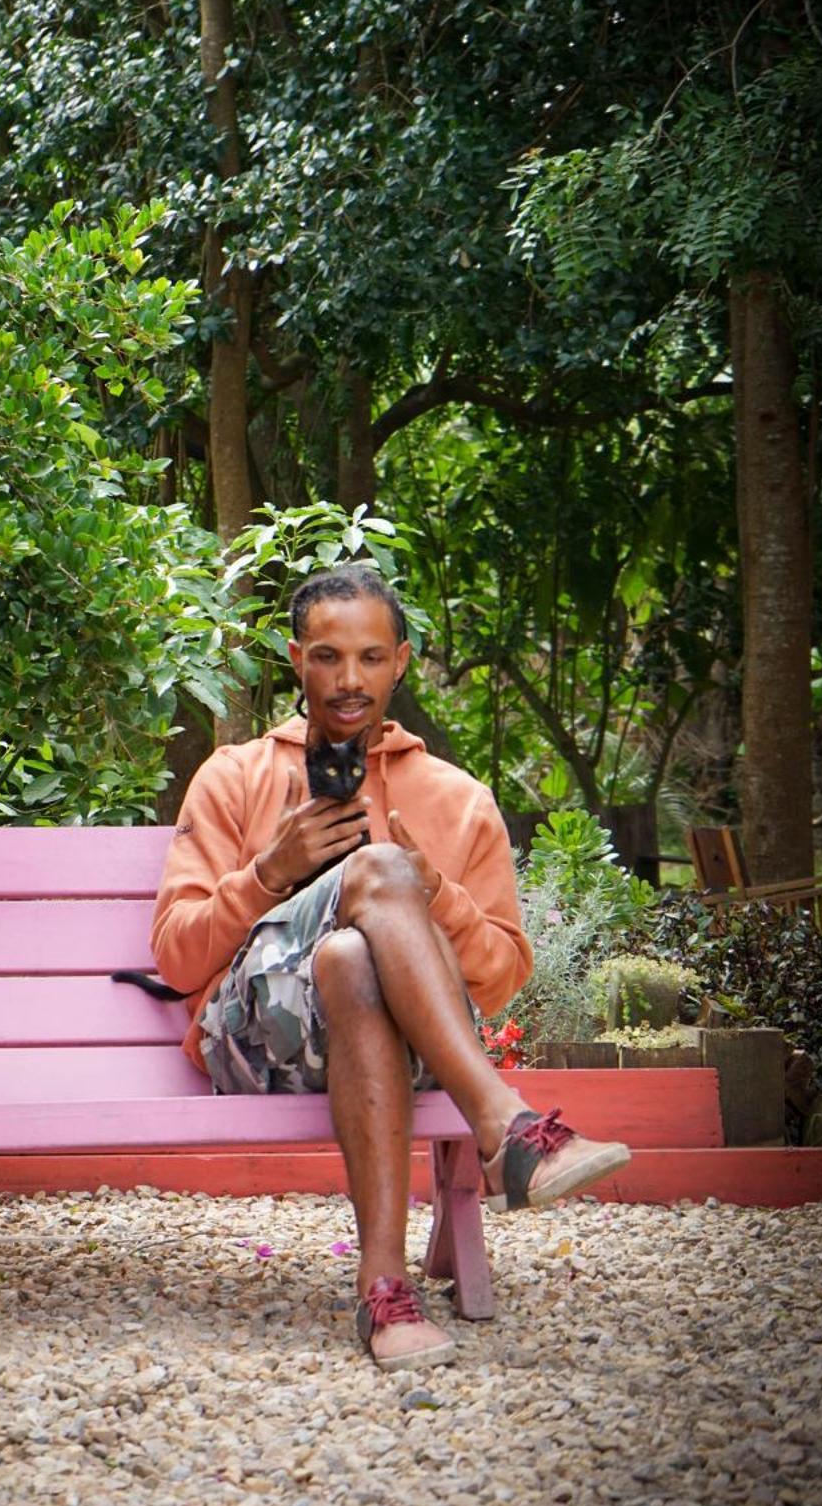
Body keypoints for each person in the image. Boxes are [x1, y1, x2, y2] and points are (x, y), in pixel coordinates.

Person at [150, 564, 630, 1370]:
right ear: (297, 660)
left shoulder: (454, 797)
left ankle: (386, 1296)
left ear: (400, 662)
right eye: (328, 657)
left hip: (401, 1048)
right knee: (376, 874)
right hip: (257, 1049)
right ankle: (504, 1126)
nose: (348, 680)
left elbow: (502, 976)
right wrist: (272, 869)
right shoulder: (234, 776)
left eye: (370, 658)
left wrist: (431, 889)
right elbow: (176, 956)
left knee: (349, 954)